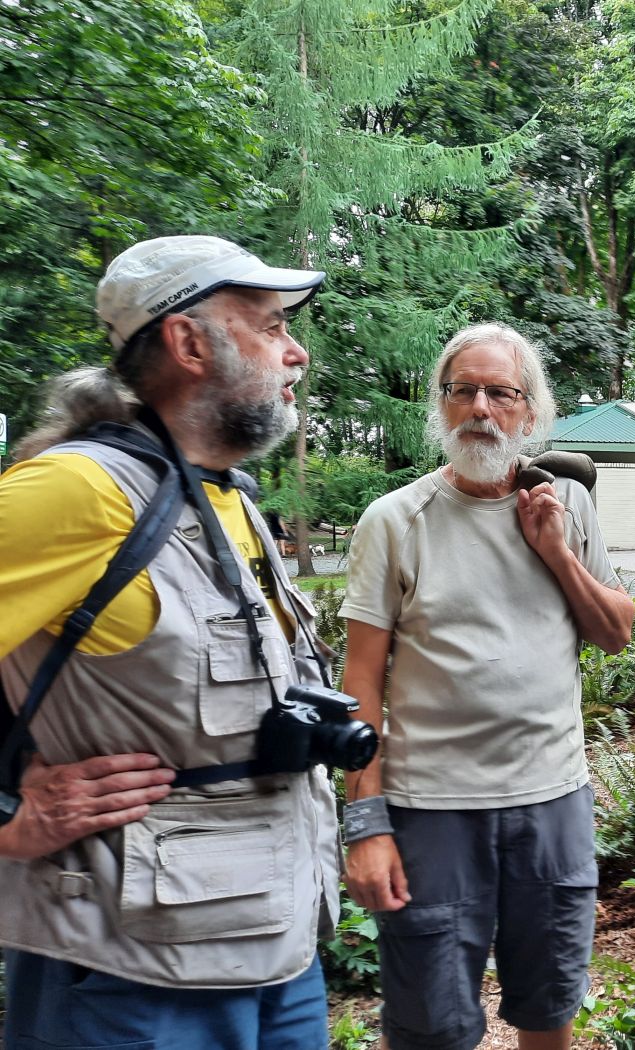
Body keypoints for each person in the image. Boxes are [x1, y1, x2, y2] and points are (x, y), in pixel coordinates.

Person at [0, 235, 341, 1048]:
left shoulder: (226, 498)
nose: (295, 352)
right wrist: (6, 814)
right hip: (128, 972)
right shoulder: (76, 488)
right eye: (270, 326)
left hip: (276, 945)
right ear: (190, 343)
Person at [339, 323, 635, 1050]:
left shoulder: (566, 503)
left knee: (549, 1005)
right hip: (431, 810)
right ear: (439, 405)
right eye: (462, 390)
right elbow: (360, 681)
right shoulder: (395, 520)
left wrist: (557, 552)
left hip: (552, 799)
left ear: (530, 413)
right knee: (430, 1024)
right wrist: (366, 824)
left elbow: (615, 631)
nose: (480, 408)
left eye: (501, 393)